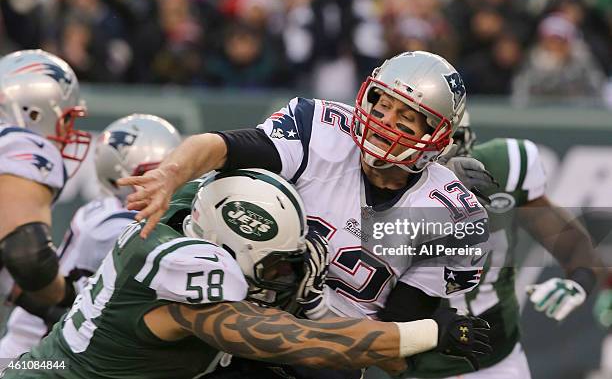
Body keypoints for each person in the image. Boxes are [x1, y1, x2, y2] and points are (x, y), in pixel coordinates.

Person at [119, 51, 491, 369]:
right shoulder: (322, 129)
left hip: (331, 361)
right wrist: (170, 173)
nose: (385, 122)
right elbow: (221, 146)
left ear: (435, 137)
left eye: (406, 117)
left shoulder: (452, 216)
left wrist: (313, 300)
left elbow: (392, 357)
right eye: (383, 103)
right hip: (238, 322)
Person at [2, 169, 491, 379]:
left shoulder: (190, 208)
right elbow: (299, 343)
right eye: (273, 264)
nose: (281, 277)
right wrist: (426, 331)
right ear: (225, 249)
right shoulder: (191, 274)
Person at [404, 112, 601, 378]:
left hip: (498, 360)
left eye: (449, 144)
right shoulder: (379, 189)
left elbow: (574, 246)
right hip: (414, 366)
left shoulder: (502, 170)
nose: (443, 158)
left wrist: (579, 280)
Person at [0, 113, 181, 361]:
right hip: (42, 355)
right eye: (156, 173)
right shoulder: (116, 227)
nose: (170, 184)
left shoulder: (102, 211)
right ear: (123, 175)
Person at [0, 50, 91, 315]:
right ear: (35, 113)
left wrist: (56, 307)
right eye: (66, 120)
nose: (68, 132)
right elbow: (28, 258)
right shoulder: (22, 145)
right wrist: (68, 294)